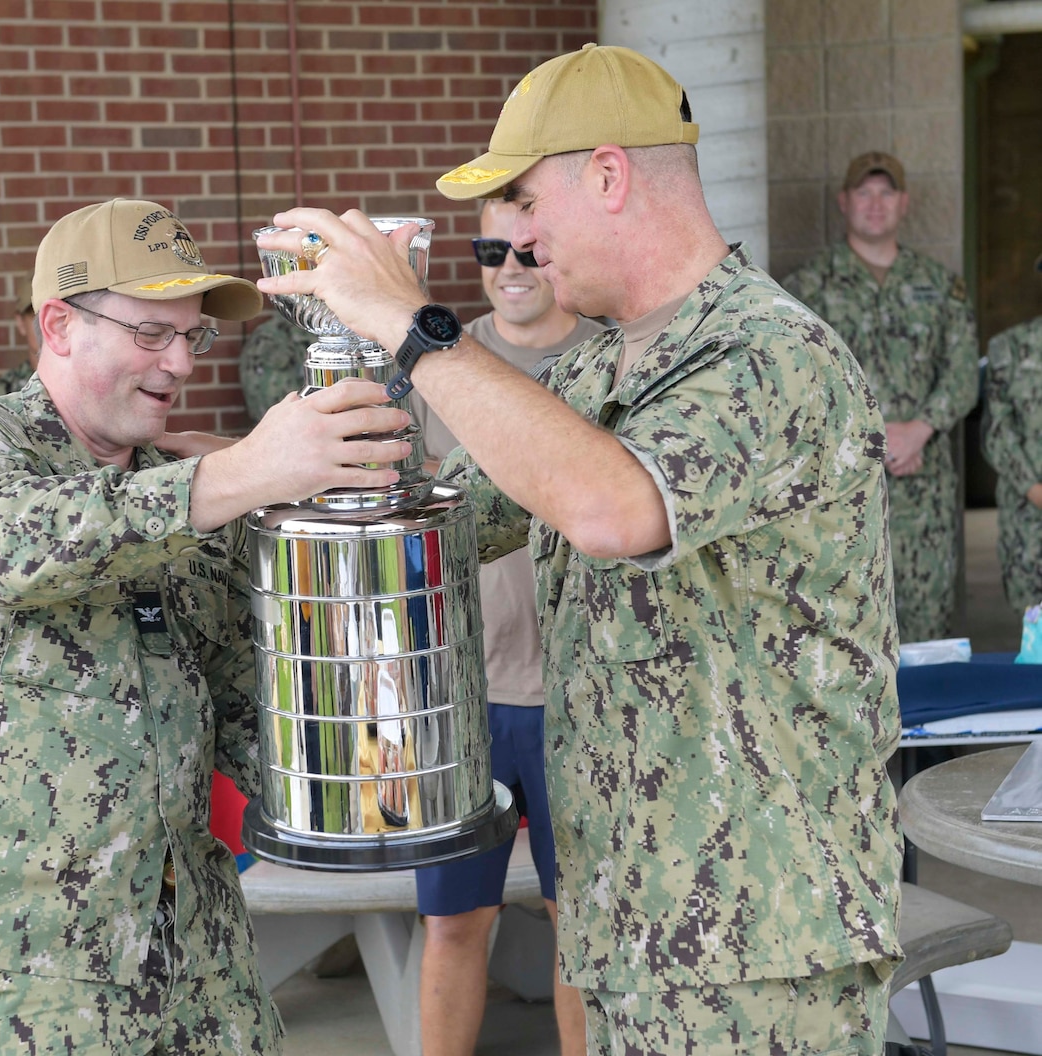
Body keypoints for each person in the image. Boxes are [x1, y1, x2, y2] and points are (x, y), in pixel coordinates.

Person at [256, 44, 903, 1056]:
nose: (513, 237)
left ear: (606, 175)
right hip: (625, 935)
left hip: (757, 955)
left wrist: (411, 323)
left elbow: (612, 507)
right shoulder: (601, 357)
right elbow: (461, 518)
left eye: (521, 198)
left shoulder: (765, 352)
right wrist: (290, 466)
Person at [0, 198, 409, 1055]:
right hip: (30, 959)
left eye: (194, 337)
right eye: (152, 335)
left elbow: (247, 689)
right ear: (59, 325)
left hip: (198, 941)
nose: (182, 364)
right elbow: (12, 543)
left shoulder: (191, 485)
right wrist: (240, 471)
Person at [410, 199, 602, 1056]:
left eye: (530, 247)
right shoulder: (437, 364)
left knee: (584, 926)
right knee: (454, 922)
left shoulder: (609, 358)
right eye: (493, 249)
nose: (513, 267)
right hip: (462, 698)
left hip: (582, 695)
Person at [782, 151, 979, 643]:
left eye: (886, 192)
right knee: (845, 632)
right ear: (844, 202)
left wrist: (921, 429)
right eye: (864, 192)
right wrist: (871, 438)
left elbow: (961, 373)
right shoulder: (806, 289)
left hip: (923, 493)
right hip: (839, 494)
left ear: (904, 202)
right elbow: (792, 379)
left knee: (926, 631)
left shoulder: (940, 286)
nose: (875, 203)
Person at [981, 250, 1042, 616]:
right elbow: (996, 431)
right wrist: (1035, 490)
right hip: (1029, 525)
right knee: (1037, 645)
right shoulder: (1011, 347)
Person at [0, 272, 41, 395]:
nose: (47, 325)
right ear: (21, 323)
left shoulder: (87, 386)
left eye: (57, 314)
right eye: (37, 316)